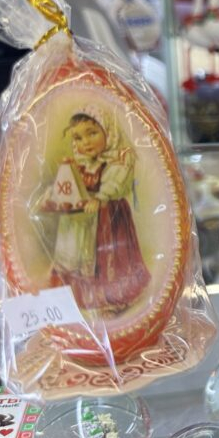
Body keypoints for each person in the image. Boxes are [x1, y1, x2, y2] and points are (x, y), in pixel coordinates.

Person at [43, 107, 150, 314]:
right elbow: (66, 184)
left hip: (107, 216)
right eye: (78, 138)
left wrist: (101, 198)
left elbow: (115, 184)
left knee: (107, 256)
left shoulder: (117, 161)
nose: (86, 142)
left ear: (108, 132)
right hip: (80, 219)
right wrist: (53, 196)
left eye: (92, 133)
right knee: (75, 255)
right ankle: (78, 298)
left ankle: (109, 298)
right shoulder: (79, 163)